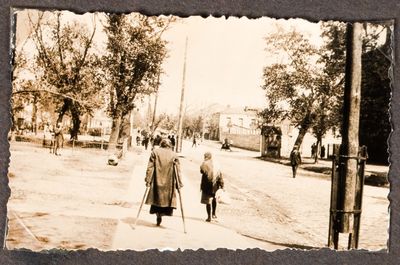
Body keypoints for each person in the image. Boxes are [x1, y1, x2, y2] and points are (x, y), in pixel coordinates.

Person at [144, 139, 183, 226]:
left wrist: (148, 180)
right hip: (169, 184)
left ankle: (158, 215)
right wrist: (179, 183)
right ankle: (161, 214)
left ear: (161, 144)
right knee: (166, 200)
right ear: (170, 145)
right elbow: (178, 170)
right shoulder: (174, 155)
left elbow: (150, 167)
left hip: (157, 181)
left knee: (156, 199)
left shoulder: (155, 152)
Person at [200, 152, 224, 222]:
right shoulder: (216, 164)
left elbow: (202, 171)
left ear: (206, 157)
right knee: (214, 199)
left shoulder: (204, 163)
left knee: (208, 201)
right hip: (215, 185)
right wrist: (222, 185)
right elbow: (220, 175)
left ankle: (209, 217)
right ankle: (214, 213)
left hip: (207, 185)